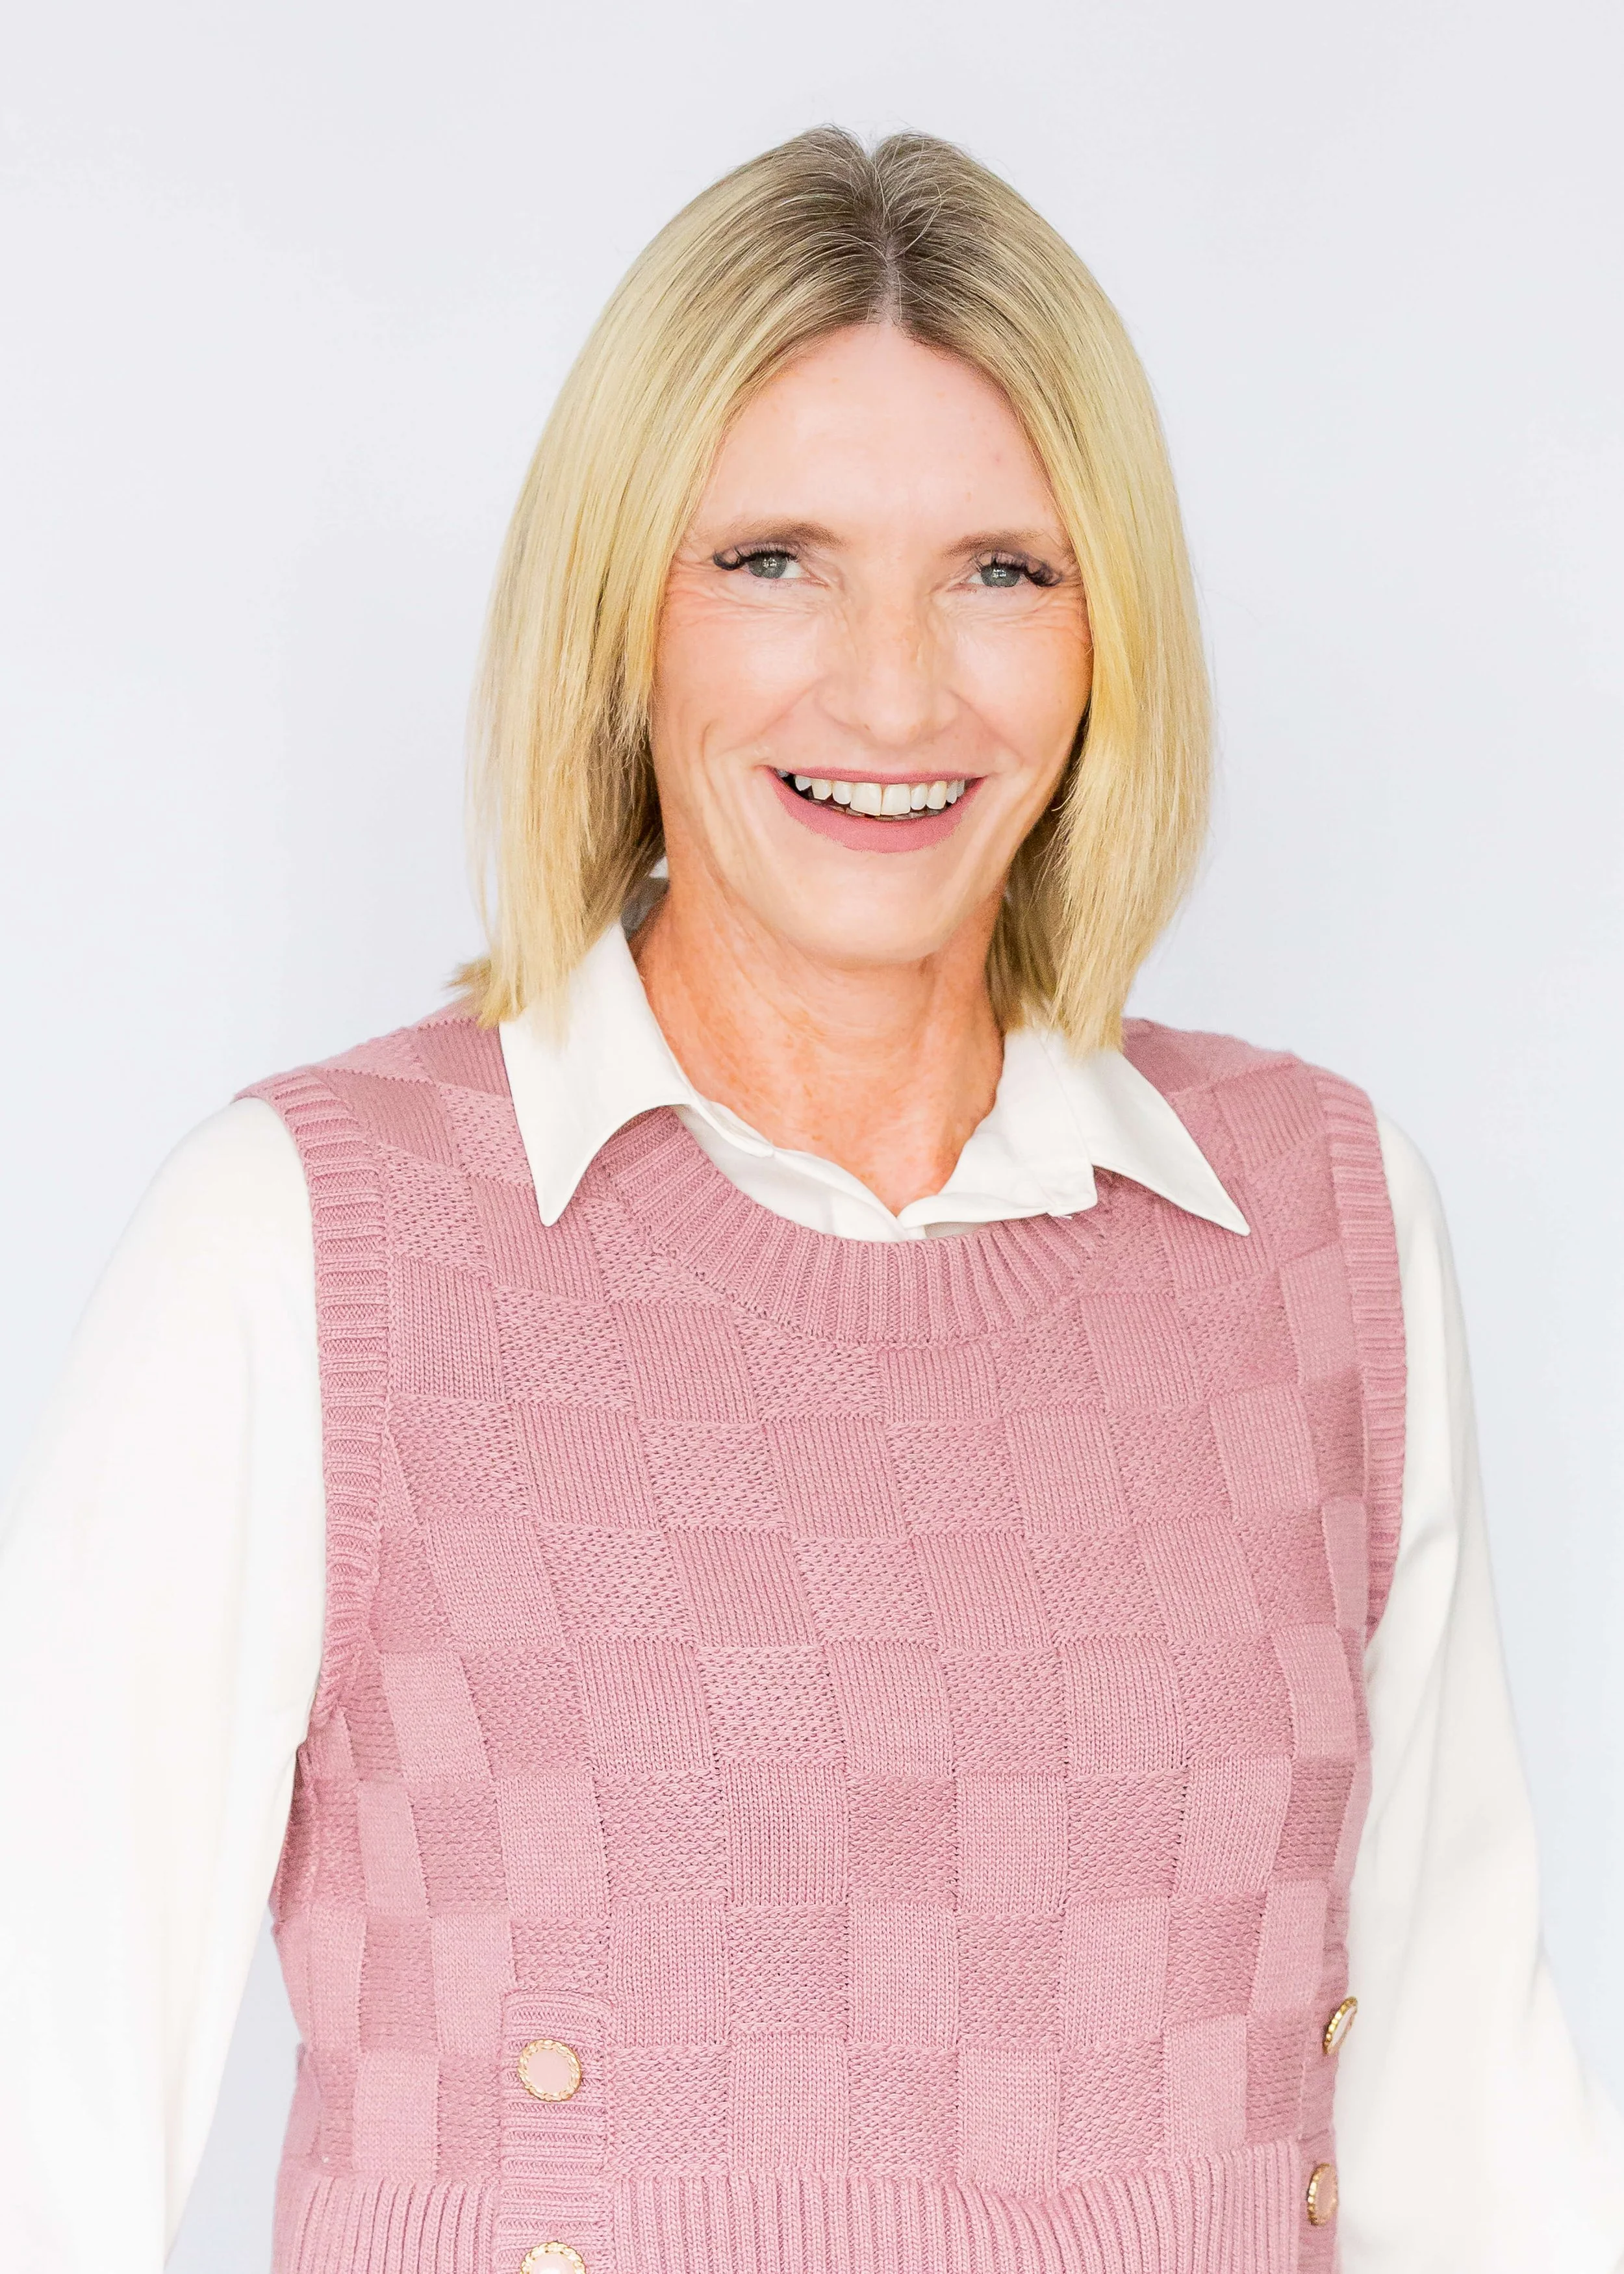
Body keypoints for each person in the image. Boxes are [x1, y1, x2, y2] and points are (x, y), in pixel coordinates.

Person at [1, 125, 1620, 2274]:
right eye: (773, 559)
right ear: (622, 616)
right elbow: (49, 2108)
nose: (889, 689)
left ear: (1102, 631)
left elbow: (1463, 2121)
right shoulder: (313, 1240)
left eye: (1000, 570)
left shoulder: (1315, 1228)